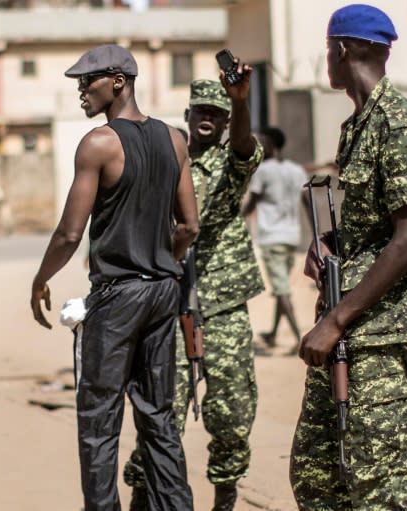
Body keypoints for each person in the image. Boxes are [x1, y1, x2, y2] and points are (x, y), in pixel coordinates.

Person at [290, 5, 407, 510]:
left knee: (380, 481)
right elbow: (369, 227)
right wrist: (329, 245)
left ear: (340, 50)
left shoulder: (397, 125)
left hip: (379, 328)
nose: (327, 61)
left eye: (327, 51)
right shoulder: (358, 124)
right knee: (317, 474)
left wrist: (336, 320)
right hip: (349, 320)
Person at [30, 44, 198, 511]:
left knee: (99, 419)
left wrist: (40, 280)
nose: (81, 90)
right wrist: (162, 260)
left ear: (118, 82)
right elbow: (189, 226)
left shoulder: (99, 144)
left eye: (89, 81)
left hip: (118, 296)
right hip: (165, 290)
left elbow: (68, 233)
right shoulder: (174, 140)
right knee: (158, 415)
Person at [124, 69, 266, 510]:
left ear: (225, 122)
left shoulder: (231, 161)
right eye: (202, 111)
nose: (209, 118)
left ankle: (225, 495)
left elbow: (244, 146)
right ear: (188, 115)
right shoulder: (164, 161)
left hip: (222, 301)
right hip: (168, 299)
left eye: (217, 114)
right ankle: (143, 495)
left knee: (232, 410)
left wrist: (239, 101)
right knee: (161, 409)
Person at [242, 127, 308, 356]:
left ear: (272, 145)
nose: (260, 147)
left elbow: (253, 202)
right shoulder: (296, 170)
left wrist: (238, 219)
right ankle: (273, 332)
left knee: (281, 290)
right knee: (282, 287)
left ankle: (298, 338)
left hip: (272, 237)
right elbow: (307, 201)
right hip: (292, 236)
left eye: (263, 143)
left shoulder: (264, 171)